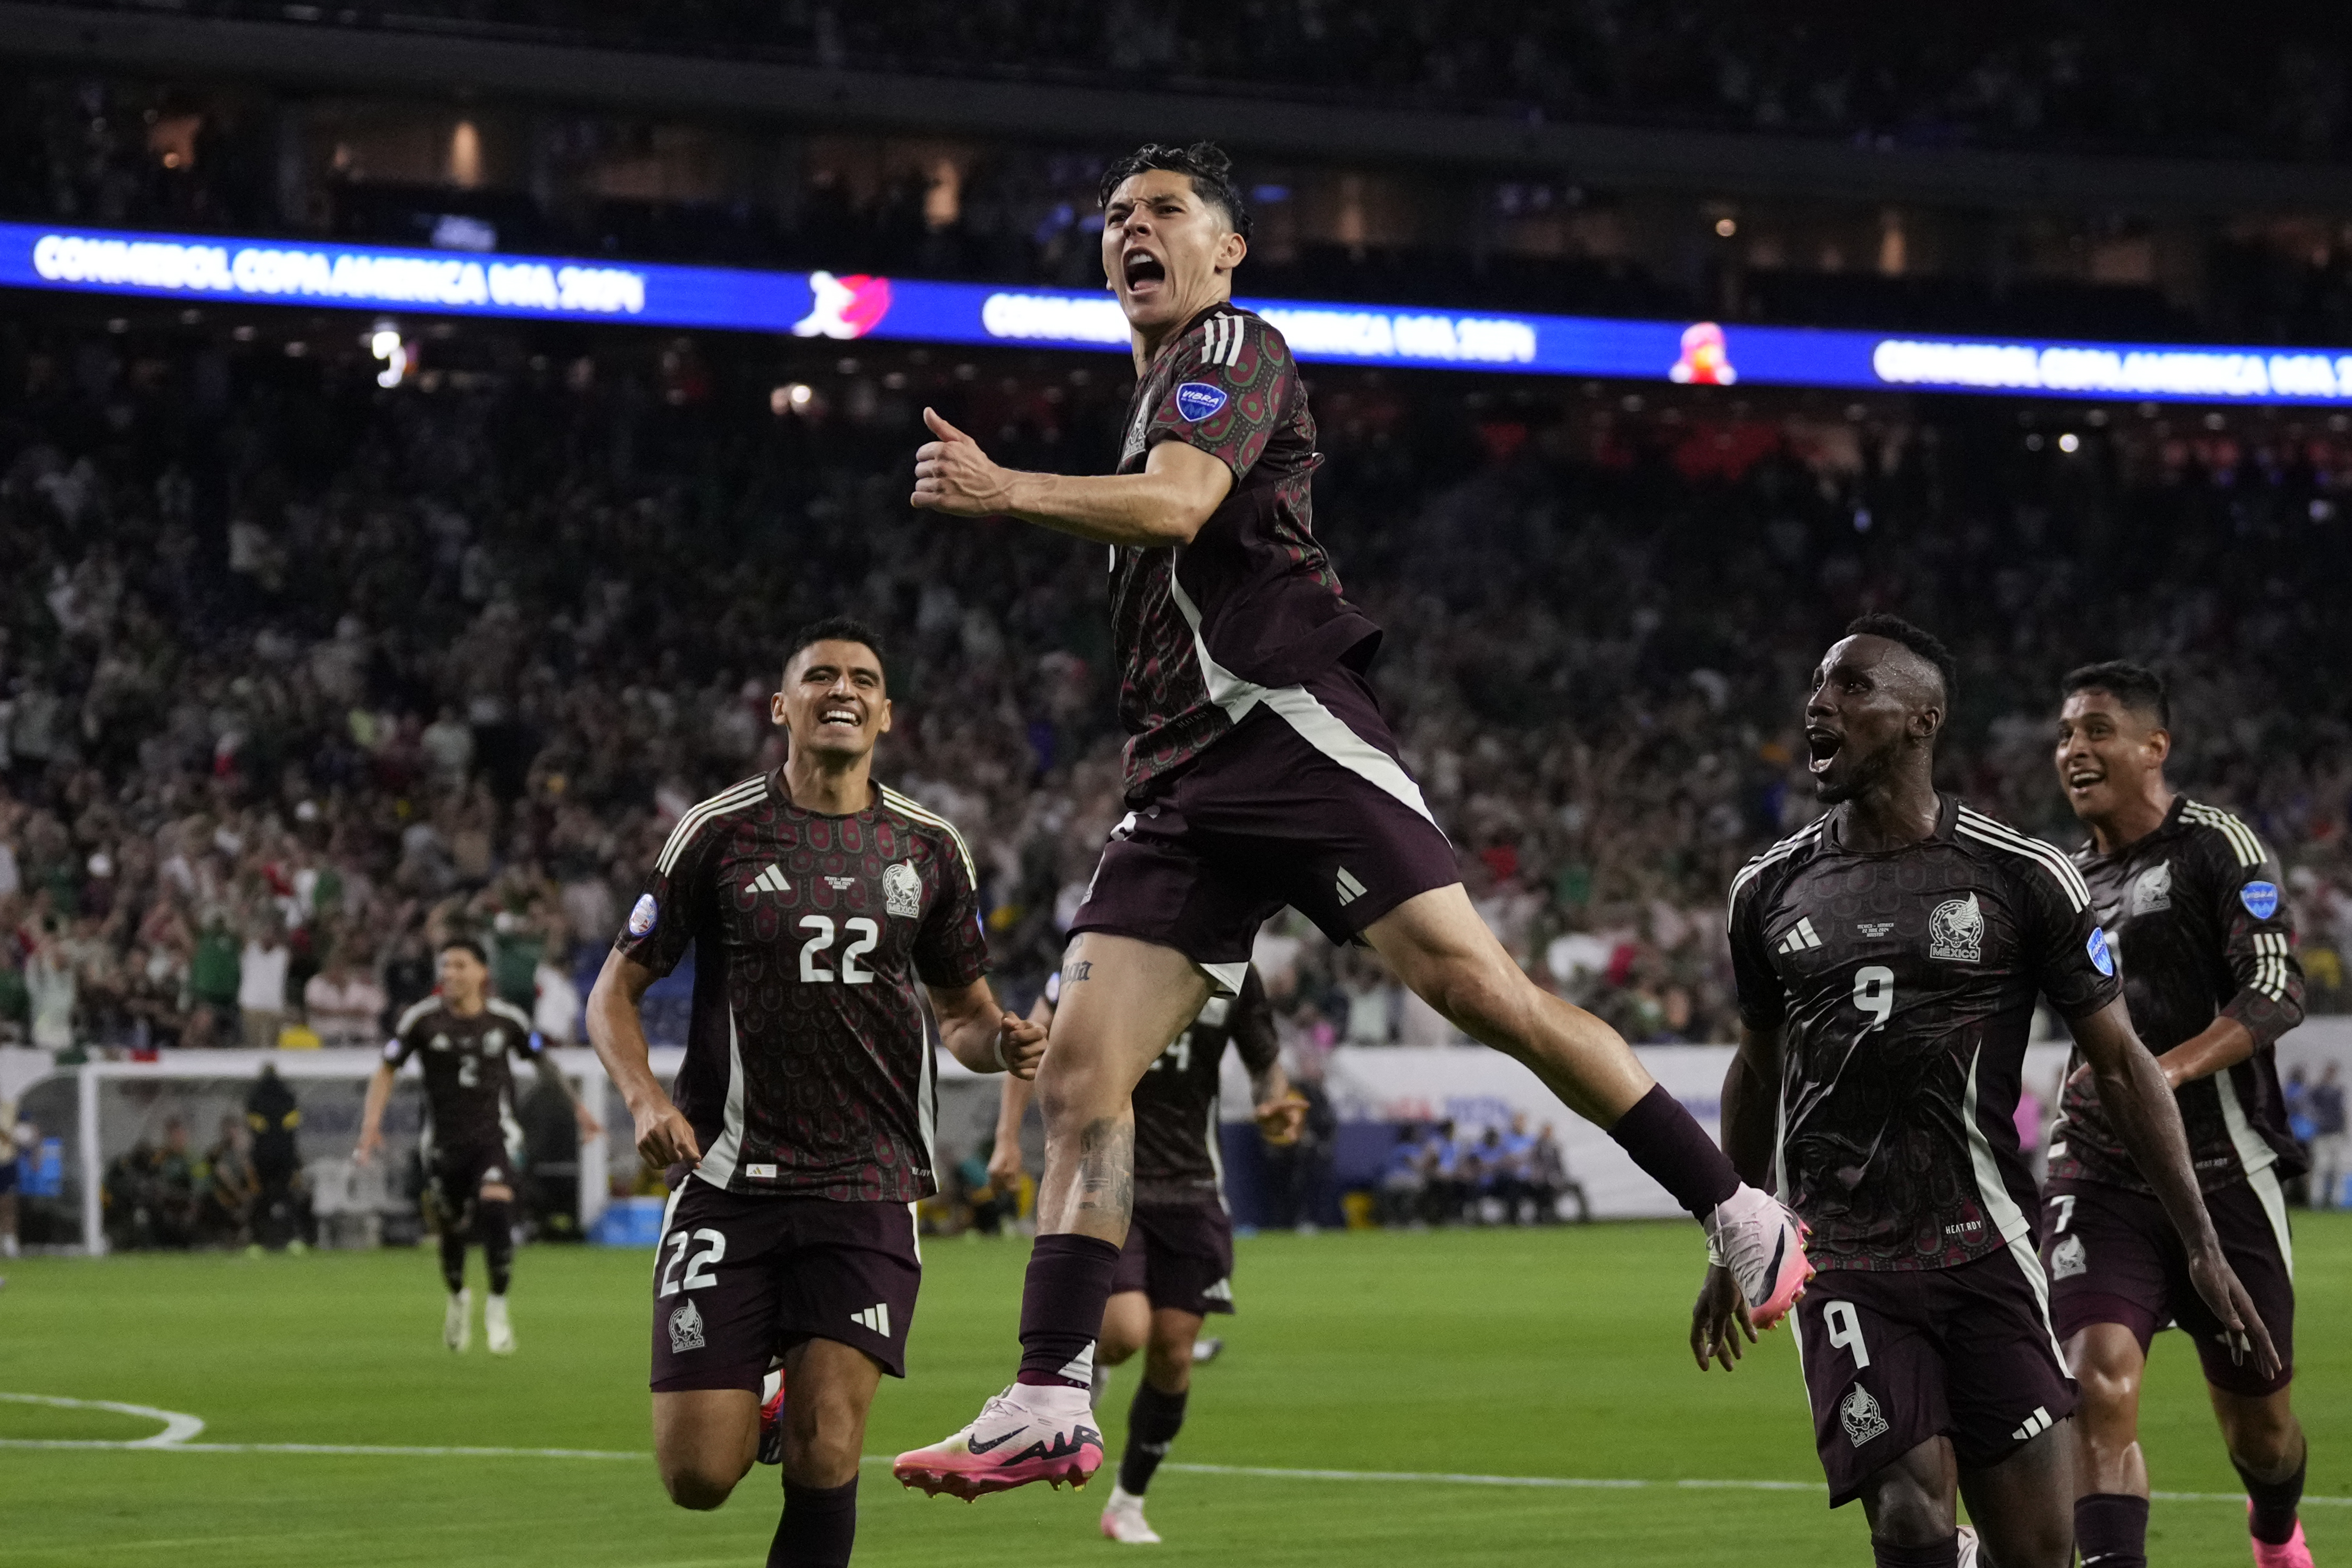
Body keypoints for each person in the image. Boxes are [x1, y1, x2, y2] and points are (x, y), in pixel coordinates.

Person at [894, 140, 1808, 1497]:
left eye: (1160, 212)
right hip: (1178, 780)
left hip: (1285, 725)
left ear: (1225, 248)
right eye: (1110, 218)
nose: (1127, 232)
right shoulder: (1155, 381)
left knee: (1476, 986)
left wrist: (1006, 489)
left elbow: (1180, 504)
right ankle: (1048, 1393)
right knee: (1085, 1074)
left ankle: (1737, 1211)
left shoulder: (1231, 344)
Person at [1692, 617, 2276, 1568]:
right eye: (1816, 685)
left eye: (1849, 687)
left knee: (2039, 1552)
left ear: (1921, 719)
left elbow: (2123, 1065)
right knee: (1909, 1517)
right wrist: (1731, 1230)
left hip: (1988, 1248)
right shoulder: (1768, 889)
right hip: (1842, 1255)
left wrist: (2202, 1247)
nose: (1818, 703)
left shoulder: (2021, 875)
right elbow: (1757, 1068)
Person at [584, 619, 1046, 1568]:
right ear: (782, 705)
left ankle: (794, 1405)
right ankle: (758, 1391)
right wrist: (643, 1103)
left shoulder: (927, 847)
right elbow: (613, 991)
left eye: (864, 678)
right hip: (726, 1179)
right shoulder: (717, 832)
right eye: (821, 675)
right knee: (698, 1476)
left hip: (865, 1185)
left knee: (830, 1445)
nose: (844, 688)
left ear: (886, 712)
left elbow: (961, 1013)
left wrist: (1000, 1041)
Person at [2042, 662, 2316, 1568]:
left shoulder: (2216, 845)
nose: (2072, 750)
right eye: (2065, 736)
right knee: (2096, 1381)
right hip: (2100, 1173)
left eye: (2095, 731)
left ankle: (2274, 1532)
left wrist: (2158, 1074)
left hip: (2223, 1168)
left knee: (2262, 1436)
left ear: (2153, 747)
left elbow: (2275, 990)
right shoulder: (2061, 884)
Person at [990, 964, 1304, 1544]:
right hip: (1111, 1173)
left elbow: (1266, 1067)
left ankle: (1128, 1502)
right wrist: (1007, 1137)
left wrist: (1275, 1105)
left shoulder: (1237, 973)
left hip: (1194, 1188)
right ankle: (1096, 1362)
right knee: (1124, 1332)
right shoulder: (1111, 947)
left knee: (1175, 1353)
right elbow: (1030, 1040)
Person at [355, 938, 601, 1354]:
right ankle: (457, 1298)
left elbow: (543, 1062)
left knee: (495, 1202)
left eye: (459, 966)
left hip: (496, 1136)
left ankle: (499, 1306)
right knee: (451, 1228)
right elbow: (386, 1068)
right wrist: (371, 1124)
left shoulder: (506, 1020)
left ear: (481, 973)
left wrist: (579, 1109)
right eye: (445, 966)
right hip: (443, 1144)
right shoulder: (421, 1020)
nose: (450, 974)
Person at [245, 1062, 304, 1251]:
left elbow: (256, 1126)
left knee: (261, 1198)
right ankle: (294, 1239)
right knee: (287, 1197)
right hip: (286, 1157)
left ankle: (257, 1241)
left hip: (262, 1158)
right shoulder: (288, 1098)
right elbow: (292, 1126)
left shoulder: (254, 1098)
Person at [0, 1098, 36, 1258]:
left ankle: (9, 1240)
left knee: (8, 1202)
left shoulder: (10, 1107)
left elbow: (29, 1132)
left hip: (7, 1161)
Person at [2310, 1064, 2346, 1210]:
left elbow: (2342, 1112)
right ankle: (2316, 1200)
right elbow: (2310, 1109)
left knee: (2338, 1168)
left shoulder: (2338, 1091)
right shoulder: (2318, 1090)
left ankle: (2336, 1201)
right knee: (2321, 1167)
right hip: (2322, 1134)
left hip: (2336, 1133)